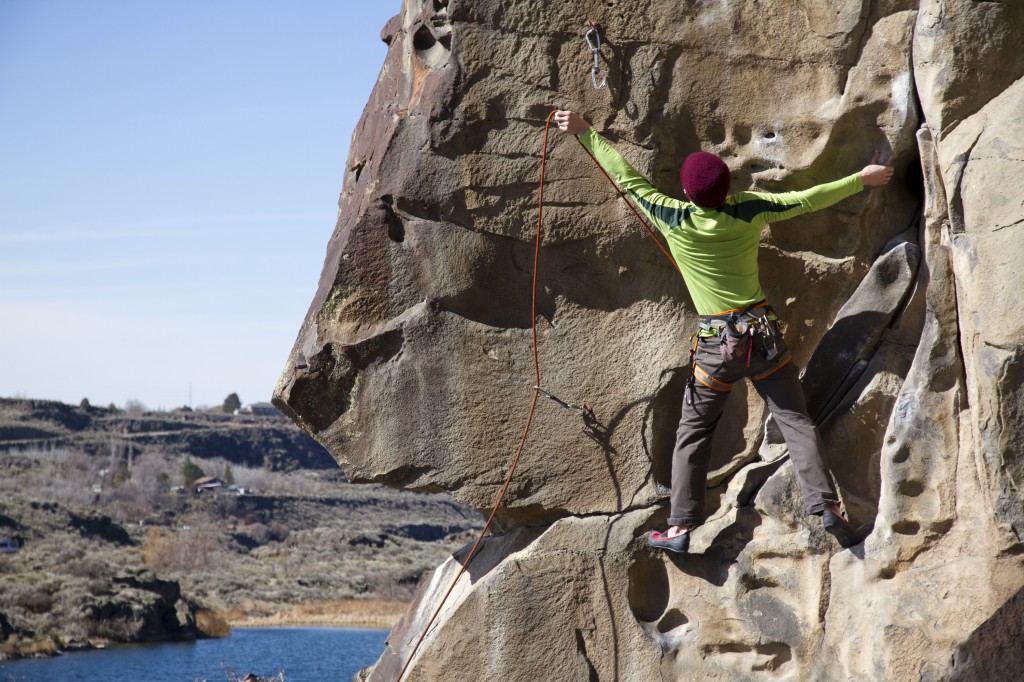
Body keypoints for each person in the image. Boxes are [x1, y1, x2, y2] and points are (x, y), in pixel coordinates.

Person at [552, 110, 894, 552]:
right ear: (726, 187)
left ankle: (678, 527)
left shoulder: (670, 215)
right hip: (762, 337)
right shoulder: (750, 209)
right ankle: (826, 507)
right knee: (794, 420)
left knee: (693, 433)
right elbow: (807, 199)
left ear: (689, 192)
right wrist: (860, 180)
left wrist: (585, 133)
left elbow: (625, 178)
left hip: (716, 347)